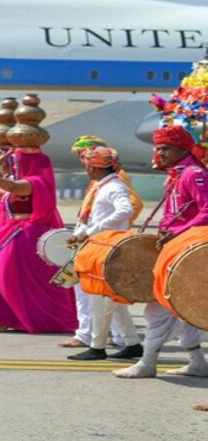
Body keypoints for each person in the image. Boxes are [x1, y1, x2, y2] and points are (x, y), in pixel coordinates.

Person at [114, 126, 207, 379]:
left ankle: (147, 362)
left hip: (184, 251)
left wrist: (178, 232)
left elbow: (207, 211)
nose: (159, 153)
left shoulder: (193, 174)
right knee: (182, 309)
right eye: (157, 148)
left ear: (182, 149)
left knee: (157, 308)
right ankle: (197, 361)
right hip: (175, 248)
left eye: (165, 148)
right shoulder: (179, 174)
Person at [0, 145, 77, 334]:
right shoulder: (16, 181)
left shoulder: (35, 182)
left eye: (15, 162)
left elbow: (13, 187)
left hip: (26, 236)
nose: (12, 165)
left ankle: (27, 318)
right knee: (6, 279)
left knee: (8, 278)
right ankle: (3, 317)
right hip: (12, 234)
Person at [64, 147, 143, 361]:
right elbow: (91, 217)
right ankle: (133, 343)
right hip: (99, 246)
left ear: (93, 166)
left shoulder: (114, 186)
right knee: (112, 301)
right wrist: (80, 233)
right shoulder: (102, 186)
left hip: (108, 249)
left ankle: (97, 348)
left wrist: (92, 230)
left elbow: (125, 210)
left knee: (98, 298)